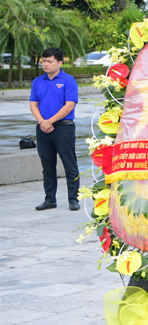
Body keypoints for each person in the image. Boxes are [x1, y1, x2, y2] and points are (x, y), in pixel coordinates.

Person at [30, 47, 80, 211]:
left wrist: (50, 121)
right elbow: (33, 104)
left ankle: (74, 199)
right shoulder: (37, 81)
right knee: (47, 166)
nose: (46, 64)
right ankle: (49, 199)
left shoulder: (68, 80)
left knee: (69, 164)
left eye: (49, 61)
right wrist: (42, 122)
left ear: (59, 62)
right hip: (43, 129)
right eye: (43, 61)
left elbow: (69, 105)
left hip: (63, 128)